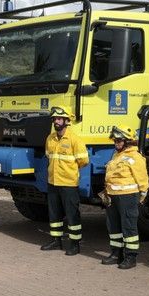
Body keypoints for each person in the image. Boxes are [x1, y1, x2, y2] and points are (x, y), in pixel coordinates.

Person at [41, 106, 89, 256]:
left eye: (59, 119)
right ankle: (56, 240)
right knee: (54, 213)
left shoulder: (75, 139)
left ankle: (75, 244)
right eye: (54, 119)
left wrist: (69, 172)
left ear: (67, 121)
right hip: (53, 182)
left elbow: (83, 161)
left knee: (72, 214)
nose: (56, 121)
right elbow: (48, 156)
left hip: (68, 183)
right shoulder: (50, 138)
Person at [102, 126, 148, 269]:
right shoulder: (116, 155)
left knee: (129, 228)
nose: (116, 143)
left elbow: (142, 179)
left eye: (119, 140)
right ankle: (116, 254)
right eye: (115, 140)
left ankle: (131, 257)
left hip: (127, 197)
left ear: (128, 141)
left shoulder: (135, 157)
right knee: (113, 226)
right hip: (112, 196)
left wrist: (142, 195)